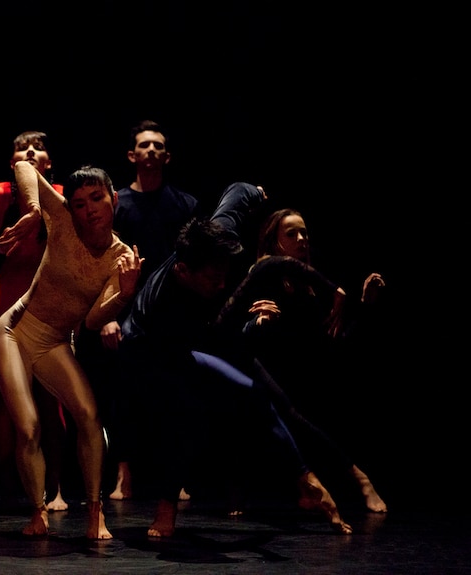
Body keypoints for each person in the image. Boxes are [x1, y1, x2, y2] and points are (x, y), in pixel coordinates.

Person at [118, 210, 353, 538]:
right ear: (183, 271)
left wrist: (253, 191)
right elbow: (218, 341)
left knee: (254, 391)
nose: (222, 283)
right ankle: (165, 509)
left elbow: (240, 201)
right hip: (146, 356)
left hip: (186, 347)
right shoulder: (165, 310)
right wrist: (252, 326)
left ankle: (306, 482)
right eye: (214, 278)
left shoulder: (210, 242)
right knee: (189, 414)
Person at [0, 161, 143, 539]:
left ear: (114, 199)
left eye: (96, 199)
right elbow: (23, 164)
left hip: (55, 341)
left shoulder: (119, 258)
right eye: (78, 203)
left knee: (89, 416)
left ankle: (95, 512)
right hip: (13, 330)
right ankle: (37, 512)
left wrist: (124, 293)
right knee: (29, 427)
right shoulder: (61, 221)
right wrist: (34, 211)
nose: (88, 209)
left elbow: (92, 321)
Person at [215, 207, 388, 513]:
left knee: (317, 404)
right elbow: (238, 337)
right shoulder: (263, 275)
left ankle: (308, 485)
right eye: (291, 233)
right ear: (274, 241)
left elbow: (335, 344)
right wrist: (261, 323)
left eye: (304, 232)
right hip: (261, 368)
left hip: (300, 375)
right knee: (272, 405)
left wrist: (366, 307)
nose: (301, 238)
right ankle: (359, 478)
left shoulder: (309, 291)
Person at [75, 120, 202, 502]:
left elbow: (193, 262)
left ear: (167, 155)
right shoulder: (118, 204)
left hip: (171, 312)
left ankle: (174, 475)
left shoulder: (186, 204)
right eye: (143, 145)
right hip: (126, 309)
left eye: (157, 146)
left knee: (175, 392)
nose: (150, 151)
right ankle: (123, 474)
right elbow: (104, 261)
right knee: (122, 392)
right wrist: (110, 313)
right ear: (132, 155)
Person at [0, 131, 71, 512]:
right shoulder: (0, 194)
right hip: (8, 294)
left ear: (49, 162)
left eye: (39, 148)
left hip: (50, 298)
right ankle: (7, 485)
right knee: (8, 397)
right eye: (22, 147)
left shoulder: (65, 194)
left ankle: (57, 488)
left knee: (54, 396)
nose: (31, 152)